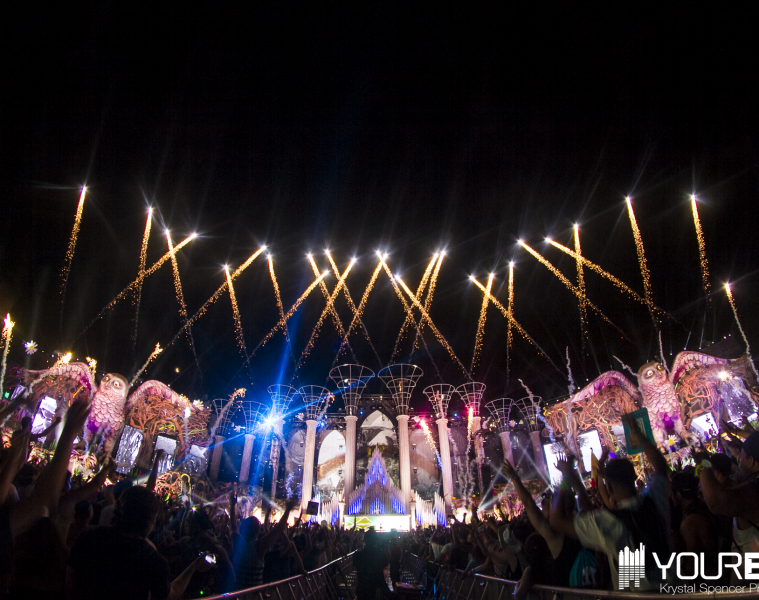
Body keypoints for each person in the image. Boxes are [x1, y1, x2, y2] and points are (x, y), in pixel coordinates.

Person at [550, 427, 671, 591]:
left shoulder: (610, 522)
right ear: (634, 477)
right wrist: (637, 431)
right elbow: (661, 466)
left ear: (609, 487)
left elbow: (556, 521)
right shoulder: (655, 500)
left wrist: (566, 476)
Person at [67, 485, 215, 599]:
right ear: (149, 521)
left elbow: (70, 583)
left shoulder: (89, 535)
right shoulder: (152, 559)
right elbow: (170, 595)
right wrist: (194, 566)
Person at [700, 430, 759, 582]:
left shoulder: (753, 490)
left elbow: (715, 502)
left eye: (742, 458)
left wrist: (703, 464)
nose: (739, 463)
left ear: (751, 461)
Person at [353, 528, 392, 600]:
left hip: (362, 590)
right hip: (375, 590)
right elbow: (380, 576)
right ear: (376, 540)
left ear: (364, 540)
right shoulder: (381, 555)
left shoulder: (357, 556)